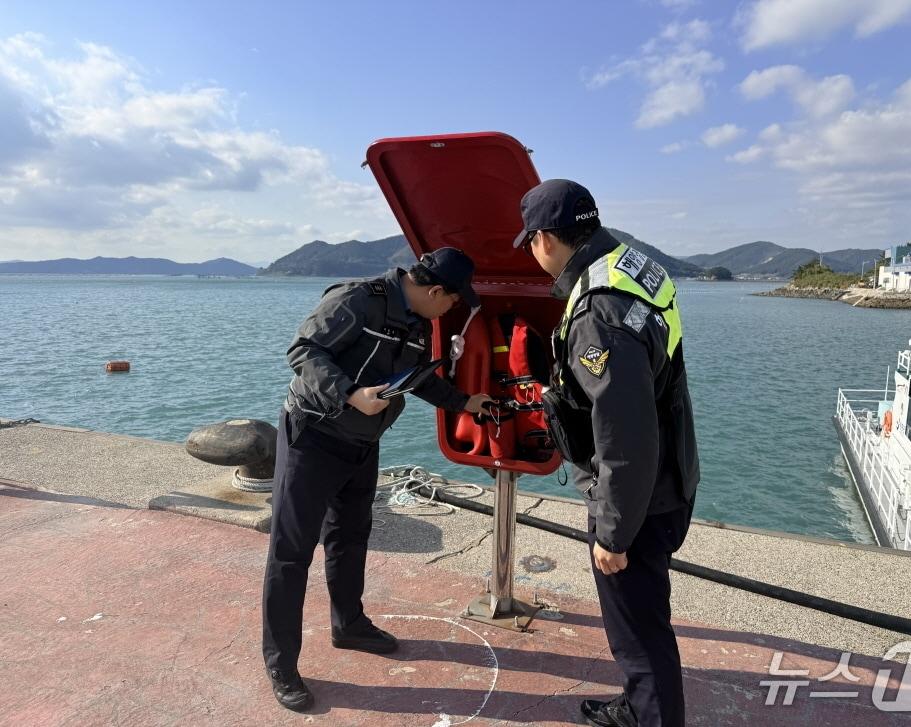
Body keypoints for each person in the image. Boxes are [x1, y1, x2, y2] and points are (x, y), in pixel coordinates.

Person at [262, 247, 494, 712]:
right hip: (314, 434)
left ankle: (348, 624)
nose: (451, 310)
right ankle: (281, 664)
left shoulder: (415, 320)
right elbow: (303, 351)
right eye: (452, 302)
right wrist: (349, 394)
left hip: (362, 442)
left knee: (350, 536)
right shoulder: (356, 300)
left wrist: (464, 403)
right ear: (434, 291)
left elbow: (418, 379)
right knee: (291, 551)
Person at [513, 180, 700, 727]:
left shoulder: (597, 311)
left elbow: (625, 434)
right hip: (670, 473)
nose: (530, 251)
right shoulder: (634, 266)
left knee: (639, 634)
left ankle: (652, 716)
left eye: (530, 241)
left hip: (638, 498)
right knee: (644, 620)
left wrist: (614, 534)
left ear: (546, 238)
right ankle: (638, 705)